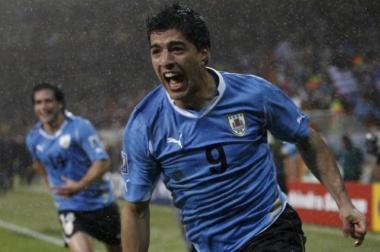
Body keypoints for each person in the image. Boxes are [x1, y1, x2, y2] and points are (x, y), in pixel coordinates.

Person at [120, 4, 367, 252]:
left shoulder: (253, 94)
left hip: (269, 231)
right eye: (156, 51)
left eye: (177, 49)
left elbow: (306, 138)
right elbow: (135, 209)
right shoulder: (145, 124)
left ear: (203, 53)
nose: (166, 61)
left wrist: (344, 203)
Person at [26, 83, 121, 252]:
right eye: (38, 102)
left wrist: (79, 185)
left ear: (60, 103)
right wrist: (52, 187)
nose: (43, 107)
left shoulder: (80, 127)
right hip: (70, 207)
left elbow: (103, 162)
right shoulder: (33, 138)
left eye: (48, 101)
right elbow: (39, 164)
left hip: (101, 204)